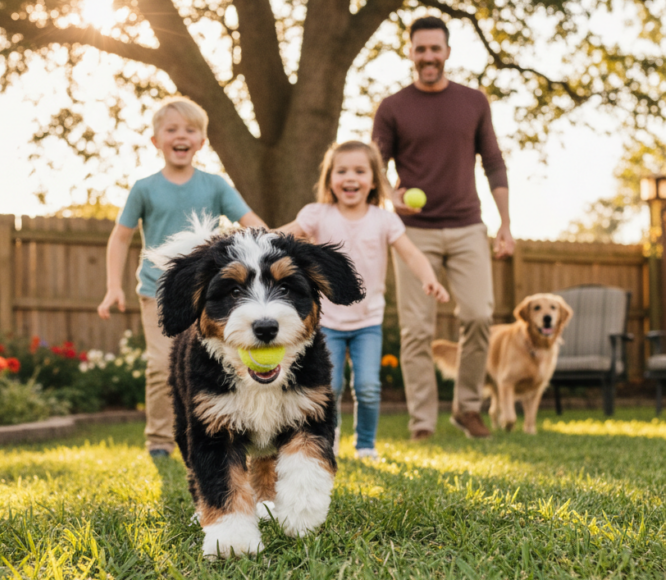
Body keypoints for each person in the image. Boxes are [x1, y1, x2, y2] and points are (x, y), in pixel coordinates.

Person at [97, 96, 267, 459]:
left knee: (217, 362)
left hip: (208, 294)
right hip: (157, 292)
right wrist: (113, 285)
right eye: (171, 129)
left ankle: (223, 428)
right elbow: (121, 236)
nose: (181, 136)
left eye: (190, 130)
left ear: (202, 142)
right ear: (156, 140)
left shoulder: (215, 185)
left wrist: (278, 245)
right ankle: (159, 440)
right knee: (161, 366)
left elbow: (251, 221)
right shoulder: (145, 188)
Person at [372, 15, 515, 442]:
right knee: (417, 330)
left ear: (448, 52)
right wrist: (389, 196)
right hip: (413, 233)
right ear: (410, 52)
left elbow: (494, 162)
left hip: (469, 226)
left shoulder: (473, 101)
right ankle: (421, 421)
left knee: (478, 315)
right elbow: (373, 166)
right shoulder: (393, 107)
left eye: (436, 49)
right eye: (421, 49)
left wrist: (506, 224)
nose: (428, 56)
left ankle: (467, 408)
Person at [278, 141, 449, 458]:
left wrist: (430, 278)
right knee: (331, 387)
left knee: (368, 387)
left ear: (373, 180)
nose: (350, 177)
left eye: (359, 170)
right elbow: (283, 235)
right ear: (330, 178)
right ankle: (328, 439)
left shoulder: (384, 220)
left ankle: (366, 444)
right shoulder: (318, 215)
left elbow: (411, 253)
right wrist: (249, 237)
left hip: (368, 321)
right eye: (341, 171)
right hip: (327, 321)